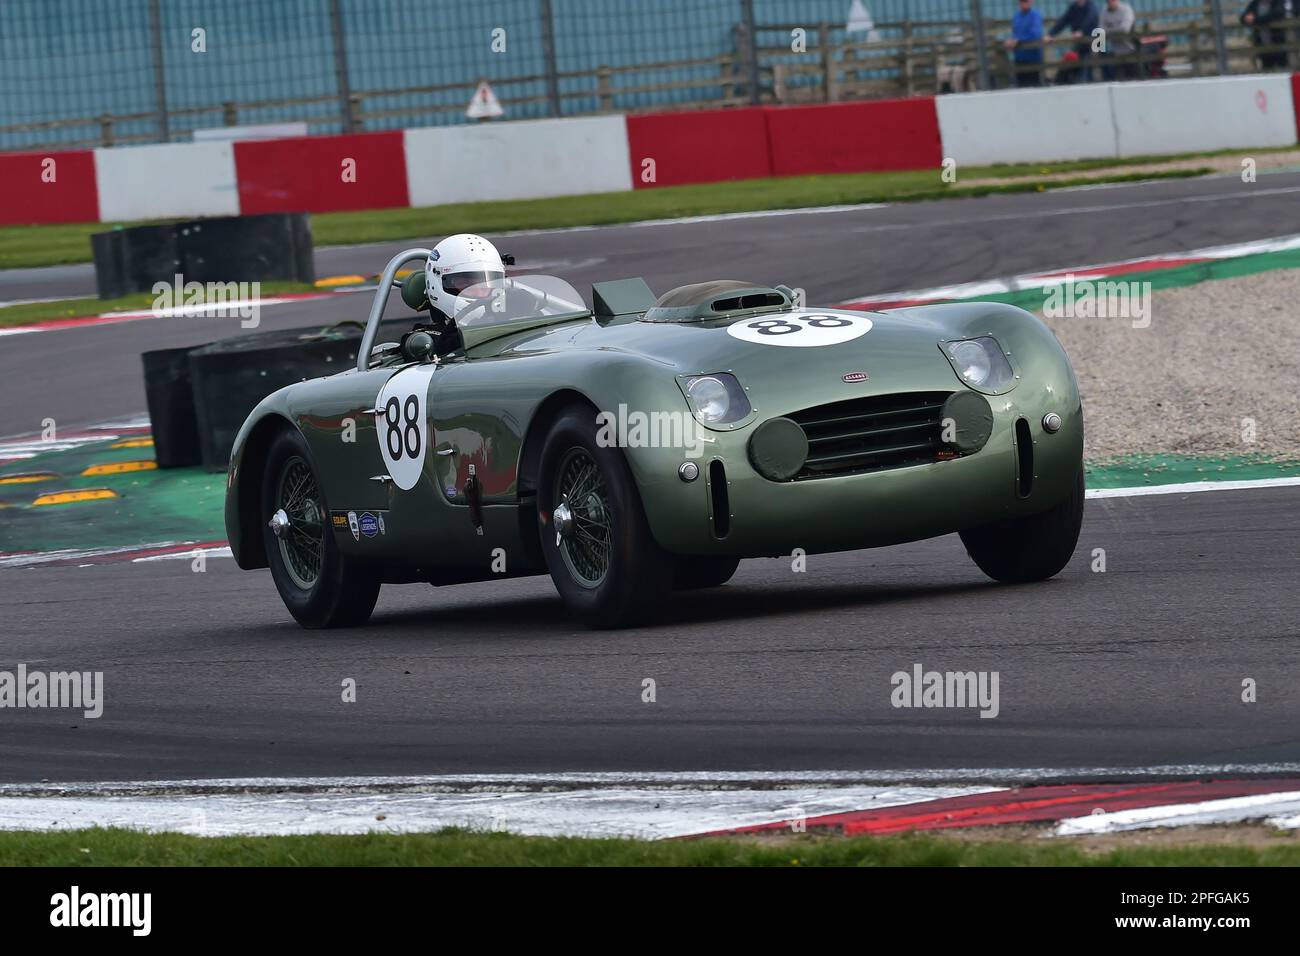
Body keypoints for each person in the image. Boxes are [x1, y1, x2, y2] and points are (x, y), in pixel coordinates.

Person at [419, 234, 508, 355]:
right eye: (467, 284)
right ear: (435, 283)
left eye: (488, 284)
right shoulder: (425, 343)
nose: (480, 293)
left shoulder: (517, 322)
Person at [1047, 0, 1100, 82]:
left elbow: (1090, 19)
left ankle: (1086, 81)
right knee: (1075, 64)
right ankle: (1060, 81)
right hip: (1079, 44)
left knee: (1087, 67)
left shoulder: (1091, 6)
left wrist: (1081, 31)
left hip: (1093, 43)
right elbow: (1063, 21)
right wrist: (1050, 34)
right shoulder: (1073, 8)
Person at [1241, 0, 1295, 70]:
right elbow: (1243, 17)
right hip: (1263, 46)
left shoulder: (1278, 2)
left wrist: (1255, 20)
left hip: (1279, 45)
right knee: (1266, 69)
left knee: (1283, 68)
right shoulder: (1255, 3)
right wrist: (1246, 18)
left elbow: (1276, 14)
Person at [1005, 0, 1046, 86]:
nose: (1024, 3)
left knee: (1034, 86)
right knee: (1021, 87)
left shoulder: (1035, 16)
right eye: (1022, 1)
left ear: (1031, 2)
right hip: (1019, 58)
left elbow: (1036, 34)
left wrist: (1019, 40)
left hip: (1033, 58)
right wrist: (1011, 41)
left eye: (1026, 1)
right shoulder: (1016, 16)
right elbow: (1014, 33)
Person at [1099, 0, 1137, 79]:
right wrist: (1116, 30)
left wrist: (1109, 30)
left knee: (1134, 79)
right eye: (1108, 1)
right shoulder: (1104, 11)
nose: (1111, 2)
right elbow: (1100, 30)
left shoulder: (1126, 9)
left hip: (1131, 51)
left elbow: (1125, 29)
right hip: (1115, 53)